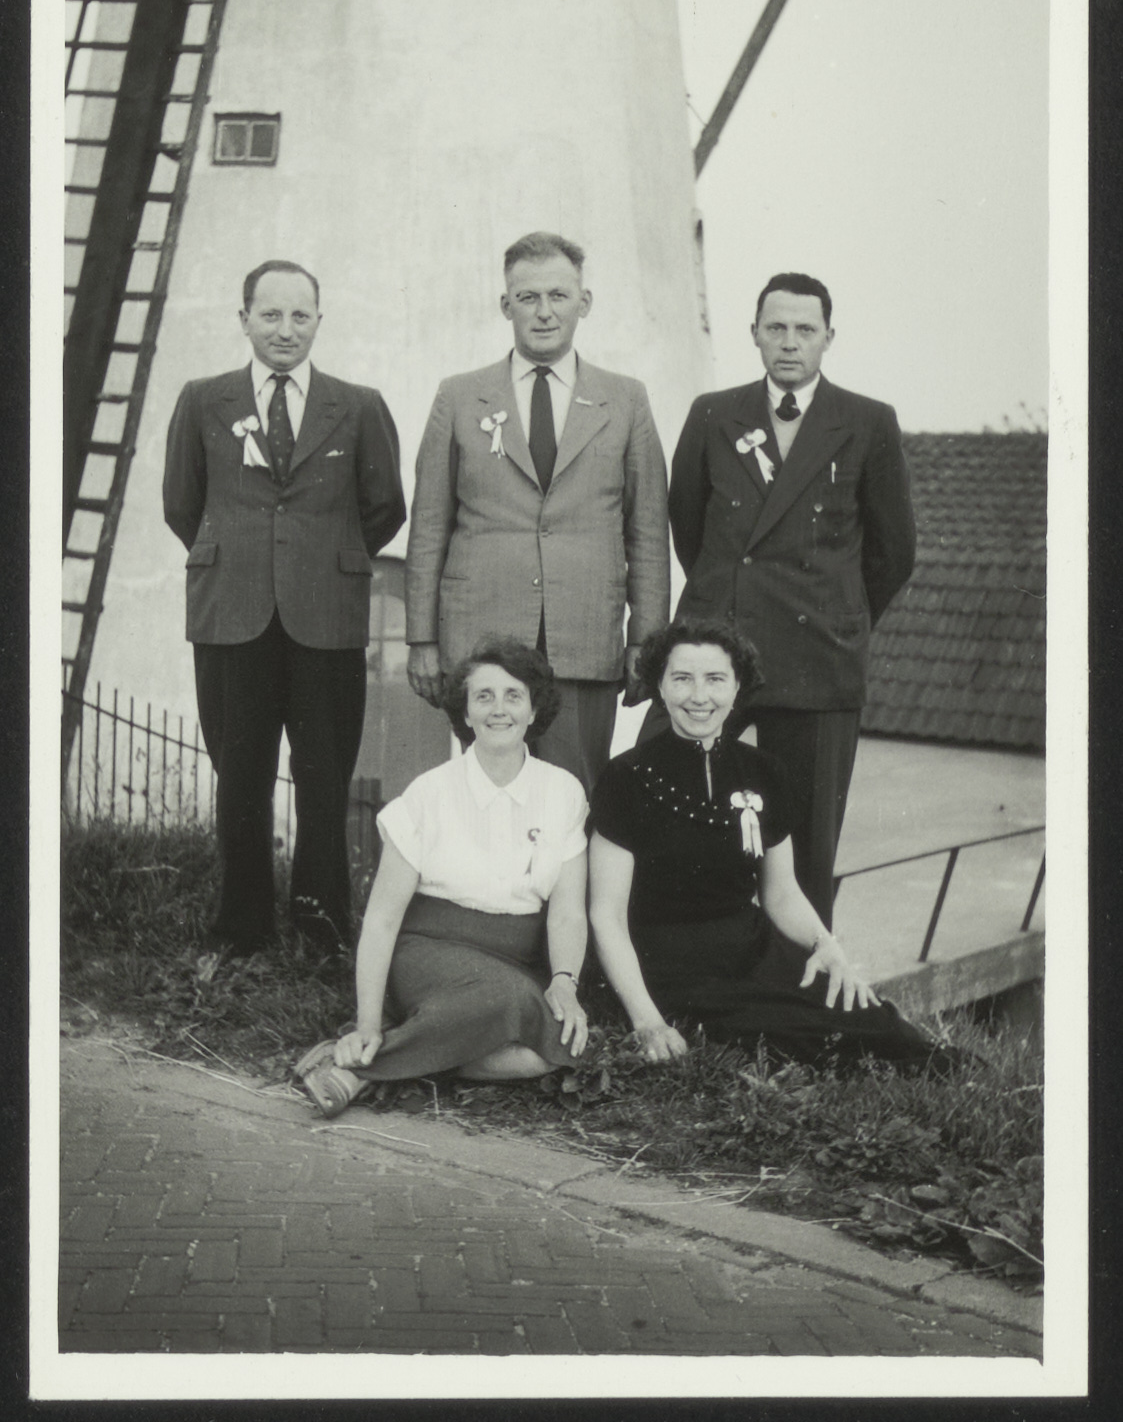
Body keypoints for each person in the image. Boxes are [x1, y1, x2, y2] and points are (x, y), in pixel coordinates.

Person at [163, 259, 406, 956]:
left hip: (325, 617)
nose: (285, 329)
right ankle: (242, 928)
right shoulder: (202, 400)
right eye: (270, 314)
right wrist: (245, 562)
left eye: (300, 316)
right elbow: (182, 503)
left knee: (324, 776)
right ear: (244, 320)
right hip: (231, 614)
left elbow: (384, 506)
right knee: (239, 775)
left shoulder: (357, 405)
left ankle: (321, 928)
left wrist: (320, 561)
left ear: (319, 322)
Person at [664, 272, 915, 927]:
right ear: (753, 334)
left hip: (816, 656)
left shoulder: (867, 421)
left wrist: (835, 615)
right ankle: (678, 963)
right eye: (775, 328)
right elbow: (689, 528)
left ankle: (805, 981)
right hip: (717, 647)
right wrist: (726, 600)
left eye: (805, 330)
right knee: (668, 802)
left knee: (805, 843)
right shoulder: (712, 413)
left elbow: (893, 551)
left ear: (829, 337)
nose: (789, 342)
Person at [589, 621, 944, 1069]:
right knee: (800, 1039)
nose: (699, 696)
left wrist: (826, 945)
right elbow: (606, 915)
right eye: (682, 679)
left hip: (751, 951)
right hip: (667, 962)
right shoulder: (626, 776)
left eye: (715, 679)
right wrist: (647, 1021)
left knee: (878, 1024)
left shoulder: (764, 772)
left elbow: (781, 894)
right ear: (659, 685)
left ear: (737, 687)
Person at [404, 230, 670, 796]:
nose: (544, 312)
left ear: (584, 302)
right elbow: (428, 526)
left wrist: (645, 642)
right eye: (528, 297)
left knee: (575, 797)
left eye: (558, 296)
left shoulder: (626, 399)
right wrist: (421, 639)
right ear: (506, 305)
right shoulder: (459, 397)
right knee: (485, 796)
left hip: (584, 637)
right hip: (481, 639)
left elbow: (647, 532)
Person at [296, 639, 590, 1118]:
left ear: (534, 709)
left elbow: (568, 912)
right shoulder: (428, 793)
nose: (499, 709)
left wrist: (563, 982)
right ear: (465, 713)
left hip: (515, 958)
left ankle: (388, 1059)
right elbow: (382, 920)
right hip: (427, 950)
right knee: (506, 998)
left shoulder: (563, 791)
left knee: (553, 1050)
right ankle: (362, 1060)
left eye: (514, 696)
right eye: (484, 696)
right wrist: (366, 1019)